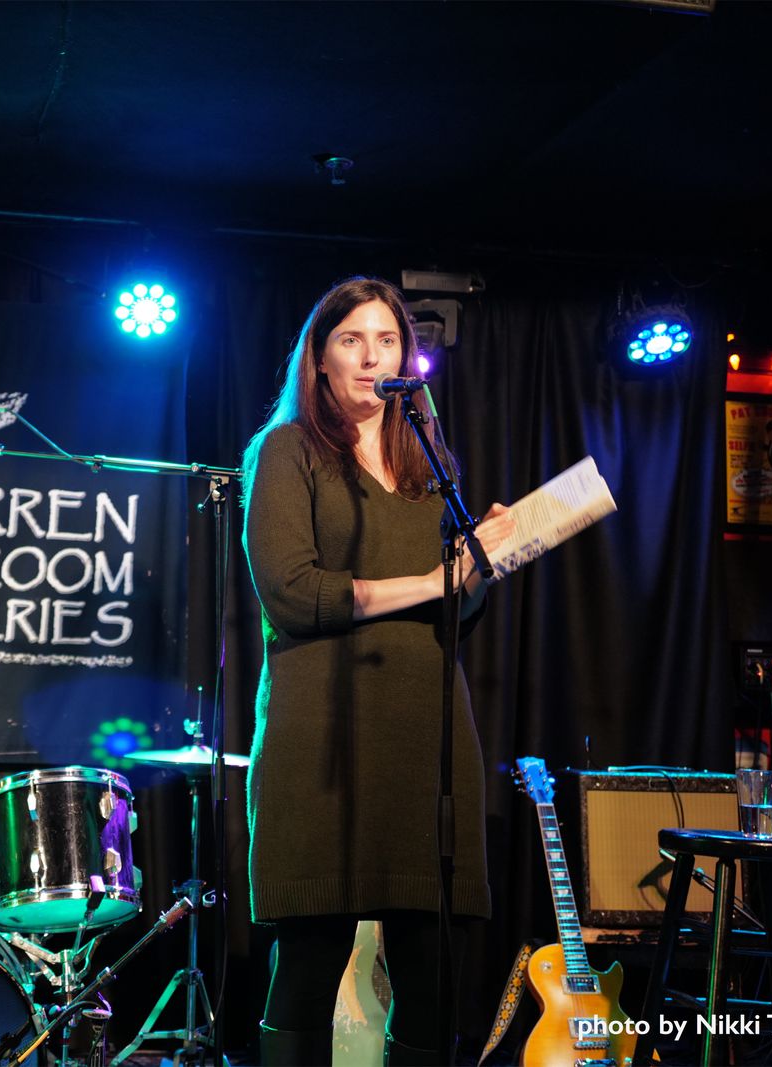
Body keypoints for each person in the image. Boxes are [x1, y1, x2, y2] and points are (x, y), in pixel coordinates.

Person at [241, 276, 515, 1066]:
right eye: (351, 340)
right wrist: (432, 581)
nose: (371, 357)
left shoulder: (431, 462)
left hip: (425, 739)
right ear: (320, 359)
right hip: (322, 743)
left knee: (433, 975)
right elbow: (294, 593)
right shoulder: (288, 450)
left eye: (387, 340)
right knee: (309, 963)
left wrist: (484, 564)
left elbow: (456, 614)